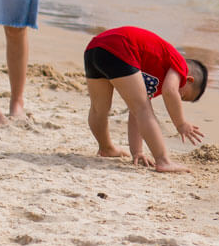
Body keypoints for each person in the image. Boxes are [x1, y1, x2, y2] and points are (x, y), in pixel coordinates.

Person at [83, 26, 208, 173]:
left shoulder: (153, 76)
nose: (178, 98)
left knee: (99, 109)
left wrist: (137, 152)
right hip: (121, 47)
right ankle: (163, 161)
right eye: (183, 96)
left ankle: (106, 148)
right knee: (144, 109)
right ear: (188, 79)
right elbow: (170, 91)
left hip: (95, 48)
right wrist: (180, 123)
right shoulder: (180, 64)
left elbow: (135, 115)